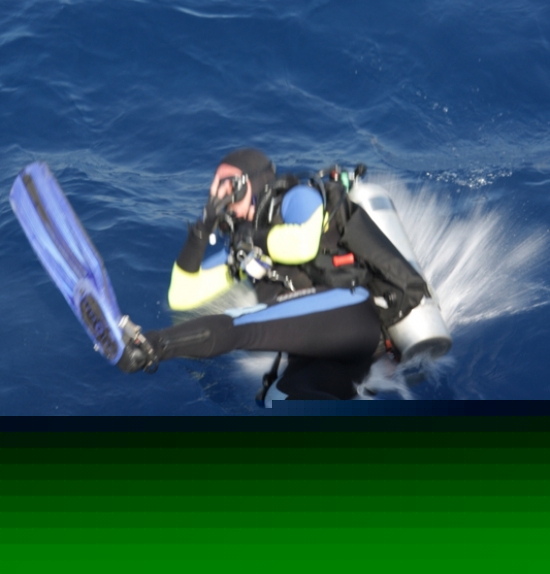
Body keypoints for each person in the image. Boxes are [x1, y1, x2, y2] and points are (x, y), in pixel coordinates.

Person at [117, 148, 383, 400]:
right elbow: (182, 297)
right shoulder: (243, 250)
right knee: (280, 398)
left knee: (242, 326)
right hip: (325, 354)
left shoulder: (297, 197)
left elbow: (303, 245)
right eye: (215, 187)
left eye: (228, 185)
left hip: (352, 315)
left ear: (252, 183)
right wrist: (201, 230)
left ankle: (153, 345)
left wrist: (153, 345)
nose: (219, 195)